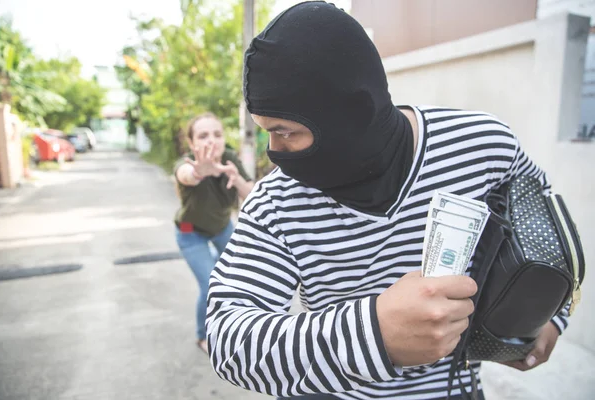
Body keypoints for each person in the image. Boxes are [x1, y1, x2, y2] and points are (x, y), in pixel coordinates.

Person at [206, 2, 568, 399]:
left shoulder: (484, 146)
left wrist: (551, 318)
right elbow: (229, 339)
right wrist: (374, 333)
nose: (274, 152)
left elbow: (551, 234)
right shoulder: (275, 202)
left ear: (349, 114)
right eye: (265, 132)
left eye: (285, 131)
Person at [174, 112, 254, 354]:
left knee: (240, 279)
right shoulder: (188, 163)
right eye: (203, 135)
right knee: (211, 286)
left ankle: (235, 325)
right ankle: (203, 335)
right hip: (190, 232)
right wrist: (199, 173)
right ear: (192, 143)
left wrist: (236, 178)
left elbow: (252, 195)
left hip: (222, 227)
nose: (211, 140)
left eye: (217, 134)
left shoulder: (230, 158)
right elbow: (184, 176)